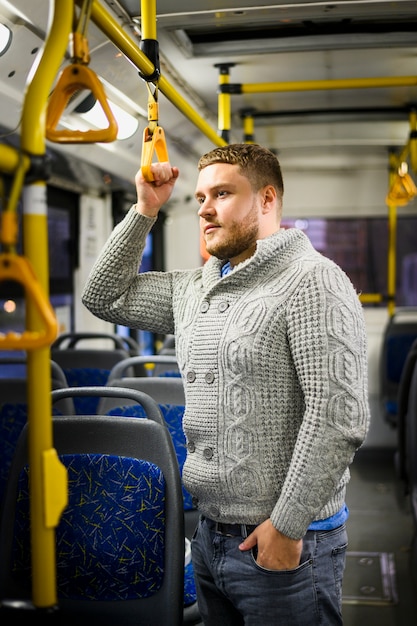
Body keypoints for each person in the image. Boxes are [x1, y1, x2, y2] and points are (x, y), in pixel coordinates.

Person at [82, 143, 370, 625]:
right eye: (198, 198)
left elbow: (338, 416)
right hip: (211, 533)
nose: (206, 209)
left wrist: (286, 525)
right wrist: (145, 210)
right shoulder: (194, 288)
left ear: (267, 199)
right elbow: (104, 295)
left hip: (288, 538)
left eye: (222, 193)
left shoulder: (313, 280)